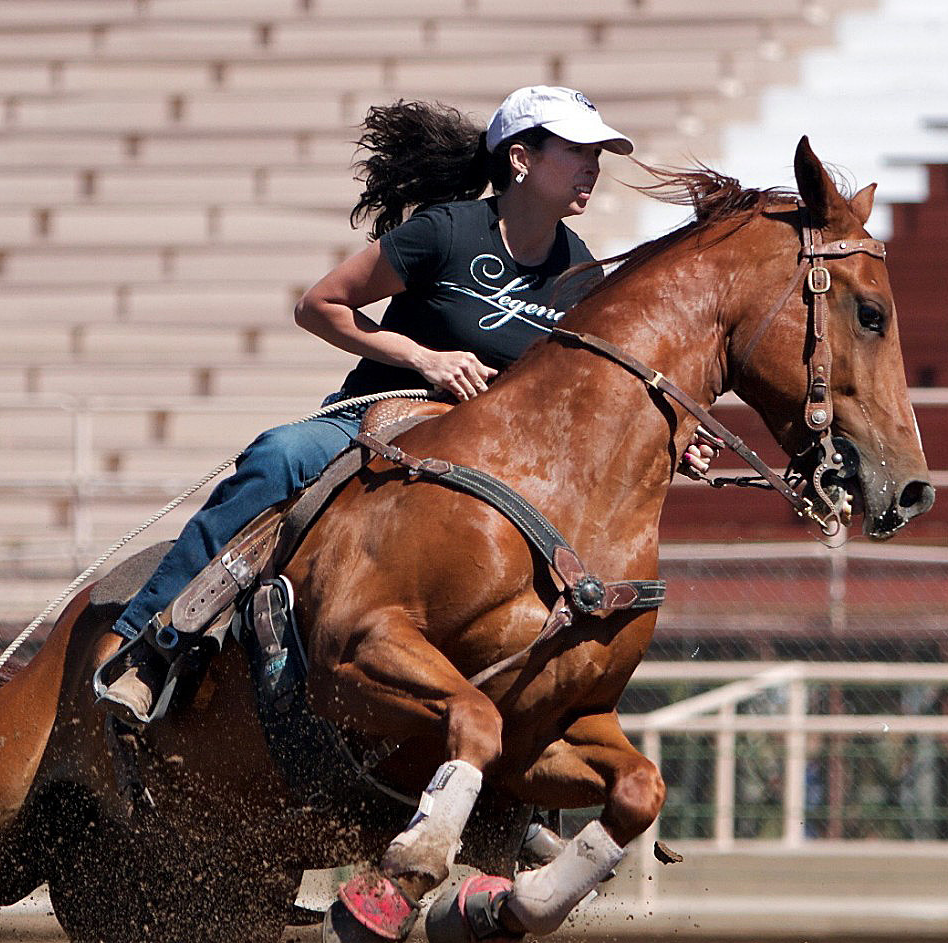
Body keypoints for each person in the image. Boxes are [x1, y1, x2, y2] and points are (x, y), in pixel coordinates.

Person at [99, 86, 645, 724]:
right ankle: (150, 646)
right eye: (578, 150)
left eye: (598, 152)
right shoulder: (446, 230)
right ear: (521, 159)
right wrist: (423, 357)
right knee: (279, 454)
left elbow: (576, 391)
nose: (594, 165)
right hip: (379, 419)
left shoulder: (581, 272)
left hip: (495, 456)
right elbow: (320, 307)